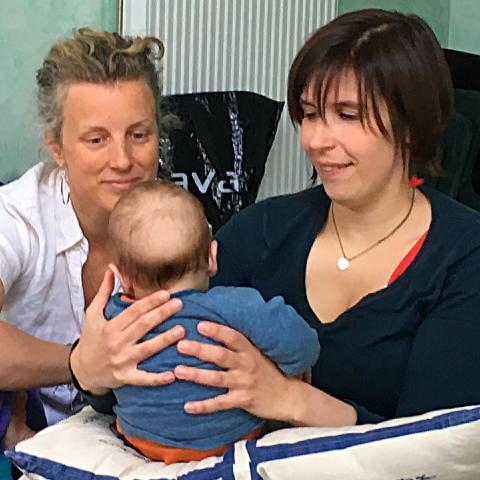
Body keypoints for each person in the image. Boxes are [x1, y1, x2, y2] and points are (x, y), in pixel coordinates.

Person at [71, 8, 480, 431]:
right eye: (311, 114)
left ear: (411, 124)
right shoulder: (262, 230)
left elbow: (436, 443)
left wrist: (292, 400)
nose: (317, 140)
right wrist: (87, 369)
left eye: (347, 115)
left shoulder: (465, 255)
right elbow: (149, 359)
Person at [0, 28, 185, 454]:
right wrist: (79, 363)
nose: (122, 161)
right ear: (57, 147)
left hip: (131, 437)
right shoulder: (17, 215)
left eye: (139, 135)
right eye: (96, 139)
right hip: (29, 427)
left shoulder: (176, 221)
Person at [103, 179, 319, 463]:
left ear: (121, 277)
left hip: (140, 440)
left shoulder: (115, 317)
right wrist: (295, 366)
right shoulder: (236, 305)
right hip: (226, 443)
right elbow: (302, 347)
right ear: (212, 257)